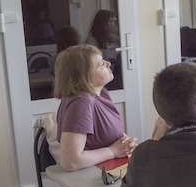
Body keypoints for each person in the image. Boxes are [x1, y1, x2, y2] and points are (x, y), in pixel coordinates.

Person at [54, 44, 136, 172]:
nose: (108, 63)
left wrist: (126, 143)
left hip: (113, 167)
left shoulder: (102, 93)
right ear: (85, 77)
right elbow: (71, 161)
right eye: (101, 64)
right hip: (95, 175)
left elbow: (112, 133)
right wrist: (112, 151)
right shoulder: (81, 102)